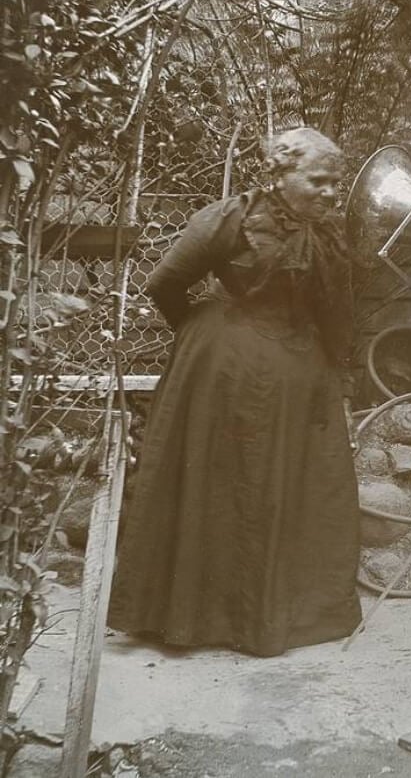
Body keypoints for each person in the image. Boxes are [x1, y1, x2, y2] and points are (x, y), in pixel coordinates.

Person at [108, 127, 362, 657]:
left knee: (292, 485)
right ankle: (201, 617)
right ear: (278, 174)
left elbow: (336, 313)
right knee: (225, 487)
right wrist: (207, 334)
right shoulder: (232, 219)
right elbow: (165, 284)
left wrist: (338, 374)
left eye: (335, 184)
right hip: (224, 377)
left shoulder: (329, 235)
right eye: (318, 181)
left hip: (298, 376)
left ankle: (280, 615)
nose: (330, 193)